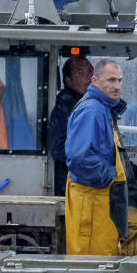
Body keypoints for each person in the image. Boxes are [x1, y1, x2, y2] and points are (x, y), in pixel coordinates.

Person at [64, 59, 137, 256]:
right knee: (91, 266)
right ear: (95, 80)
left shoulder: (104, 109)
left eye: (120, 81)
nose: (117, 86)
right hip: (91, 202)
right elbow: (79, 159)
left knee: (107, 257)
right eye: (111, 80)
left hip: (102, 202)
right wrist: (110, 176)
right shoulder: (92, 110)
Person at [48, 56, 94, 196]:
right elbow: (58, 148)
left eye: (91, 72)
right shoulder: (66, 106)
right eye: (80, 73)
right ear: (68, 80)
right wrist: (93, 166)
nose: (89, 77)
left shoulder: (91, 104)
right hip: (71, 186)